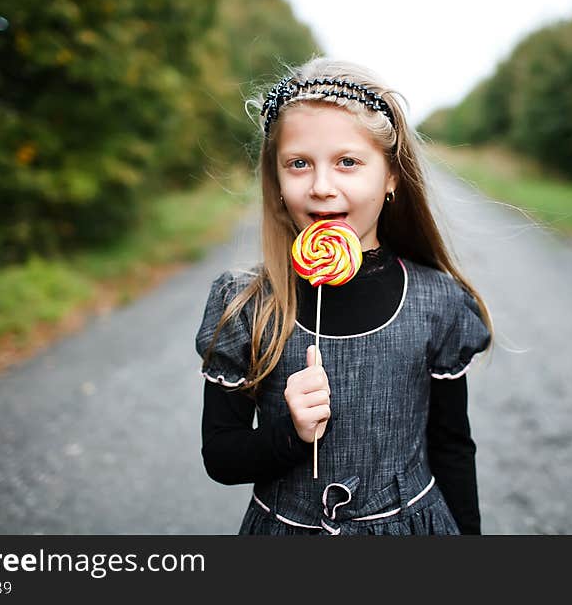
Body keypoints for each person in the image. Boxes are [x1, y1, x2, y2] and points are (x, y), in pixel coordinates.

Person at [195, 57, 494, 535]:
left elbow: (453, 446)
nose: (321, 187)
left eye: (348, 162)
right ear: (275, 181)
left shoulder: (437, 301)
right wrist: (290, 434)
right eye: (298, 164)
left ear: (392, 176)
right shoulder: (245, 304)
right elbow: (222, 458)